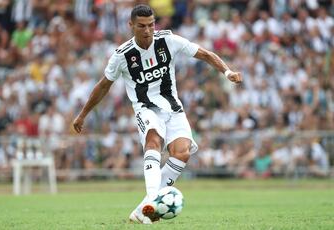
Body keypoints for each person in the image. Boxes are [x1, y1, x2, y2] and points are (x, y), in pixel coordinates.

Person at [72, 4, 242, 224]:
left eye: (151, 24)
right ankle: (153, 201)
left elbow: (204, 54)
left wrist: (227, 71)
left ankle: (143, 208)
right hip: (146, 109)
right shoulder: (122, 55)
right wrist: (83, 114)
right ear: (131, 25)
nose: (148, 30)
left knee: (182, 152)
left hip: (173, 107)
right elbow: (103, 85)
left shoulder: (167, 41)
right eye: (142, 26)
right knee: (153, 141)